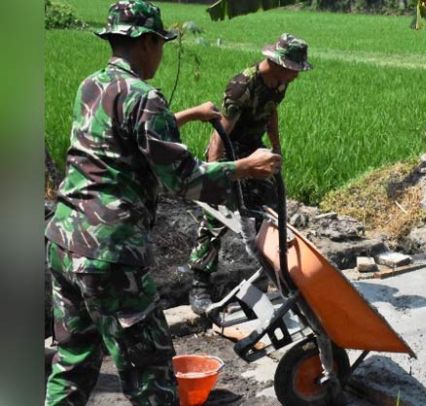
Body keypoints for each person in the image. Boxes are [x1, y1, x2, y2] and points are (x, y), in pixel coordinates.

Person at [44, 1, 281, 404]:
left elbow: (123, 143)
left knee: (72, 361)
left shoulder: (91, 85)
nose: (161, 53)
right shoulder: (145, 97)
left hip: (64, 242)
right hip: (111, 254)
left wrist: (187, 116)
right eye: (161, 44)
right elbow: (183, 180)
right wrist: (244, 166)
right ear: (147, 43)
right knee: (151, 374)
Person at [187, 33, 312, 315]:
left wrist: (276, 146)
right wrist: (213, 175)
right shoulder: (242, 86)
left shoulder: (279, 84)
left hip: (256, 150)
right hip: (230, 151)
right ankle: (200, 284)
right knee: (215, 218)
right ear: (280, 63)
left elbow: (271, 113)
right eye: (295, 70)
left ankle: (266, 280)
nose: (296, 76)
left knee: (270, 212)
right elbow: (220, 133)